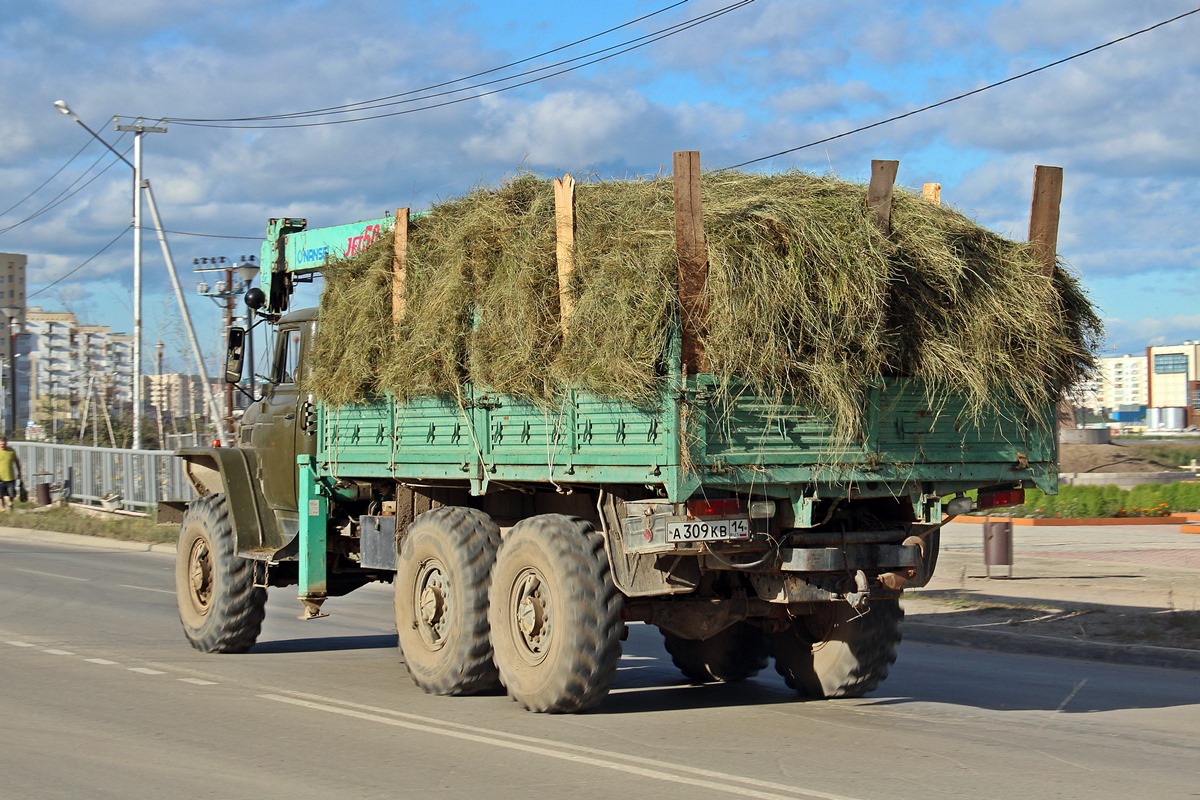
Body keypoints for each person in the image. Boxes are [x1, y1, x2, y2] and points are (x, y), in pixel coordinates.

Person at [0, 437, 22, 511]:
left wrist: (19, 472)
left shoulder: (11, 451)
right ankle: (2, 508)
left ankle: (10, 507)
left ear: (7, 443)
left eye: (4, 444)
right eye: (1, 444)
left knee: (12, 494)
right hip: (0, 478)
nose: (3, 445)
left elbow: (17, 462)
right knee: (1, 495)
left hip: (10, 477)